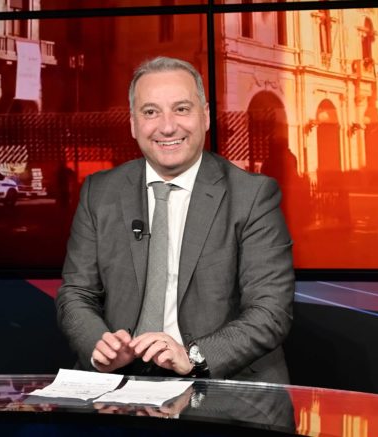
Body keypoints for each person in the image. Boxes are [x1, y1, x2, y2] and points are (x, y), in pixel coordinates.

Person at [56, 56, 294, 383]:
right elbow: (75, 294)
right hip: (119, 383)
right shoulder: (99, 192)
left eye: (181, 109)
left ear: (205, 116)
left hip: (217, 381)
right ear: (133, 124)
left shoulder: (252, 196)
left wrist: (193, 356)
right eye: (150, 112)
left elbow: (271, 310)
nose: (167, 127)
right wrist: (100, 346)